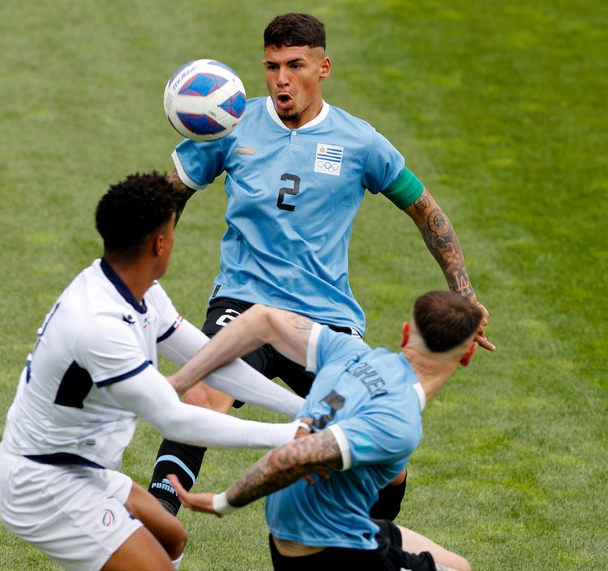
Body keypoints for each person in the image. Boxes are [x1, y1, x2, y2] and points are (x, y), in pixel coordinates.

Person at [149, 12, 493, 519]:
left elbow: (426, 211)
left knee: (381, 429)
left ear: (323, 67)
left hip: (328, 319)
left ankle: (373, 540)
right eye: (271, 67)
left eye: (295, 65)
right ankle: (158, 532)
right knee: (202, 396)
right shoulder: (232, 123)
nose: (281, 79)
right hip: (242, 303)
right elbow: (170, 196)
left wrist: (462, 292)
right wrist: (147, 266)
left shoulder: (359, 142)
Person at [0, 172, 307, 571]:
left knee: (172, 538)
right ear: (159, 243)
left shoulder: (138, 289)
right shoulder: (100, 326)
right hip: (42, 483)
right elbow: (175, 420)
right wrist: (290, 437)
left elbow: (208, 360)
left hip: (84, 470)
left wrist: (301, 409)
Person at [164, 290, 481, 570]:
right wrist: (223, 502)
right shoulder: (400, 421)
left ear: (405, 332)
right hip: (329, 553)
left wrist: (181, 380)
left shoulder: (351, 353)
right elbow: (292, 458)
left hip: (298, 534)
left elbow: (261, 318)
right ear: (467, 355)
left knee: (459, 566)